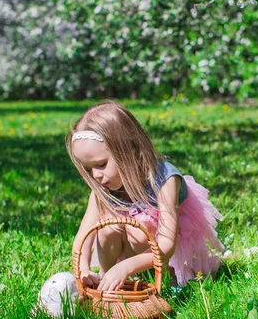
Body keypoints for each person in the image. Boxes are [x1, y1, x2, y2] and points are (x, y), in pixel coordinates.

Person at [66, 100, 225, 291]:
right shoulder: (102, 187)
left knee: (143, 228)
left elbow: (166, 244)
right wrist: (83, 269)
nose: (96, 175)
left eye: (101, 164)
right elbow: (84, 236)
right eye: (88, 168)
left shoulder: (164, 180)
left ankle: (162, 275)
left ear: (130, 150)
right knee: (108, 228)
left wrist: (127, 266)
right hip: (131, 244)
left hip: (162, 247)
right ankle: (107, 282)